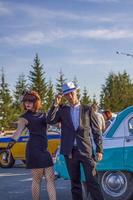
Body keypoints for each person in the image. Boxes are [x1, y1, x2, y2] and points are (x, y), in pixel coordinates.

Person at [47, 81, 104, 200]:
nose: (70, 96)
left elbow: (96, 131)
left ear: (76, 92)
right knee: (75, 183)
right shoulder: (62, 110)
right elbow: (50, 120)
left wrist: (99, 150)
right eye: (66, 94)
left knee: (92, 181)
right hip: (70, 152)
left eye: (71, 93)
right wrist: (55, 104)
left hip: (86, 151)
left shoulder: (88, 109)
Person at [6, 90, 56, 200]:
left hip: (44, 149)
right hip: (34, 150)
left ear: (36, 102)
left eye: (31, 101)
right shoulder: (24, 117)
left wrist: (55, 105)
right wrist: (9, 147)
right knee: (37, 180)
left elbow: (50, 124)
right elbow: (18, 132)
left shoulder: (44, 115)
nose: (27, 103)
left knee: (50, 178)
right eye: (25, 101)